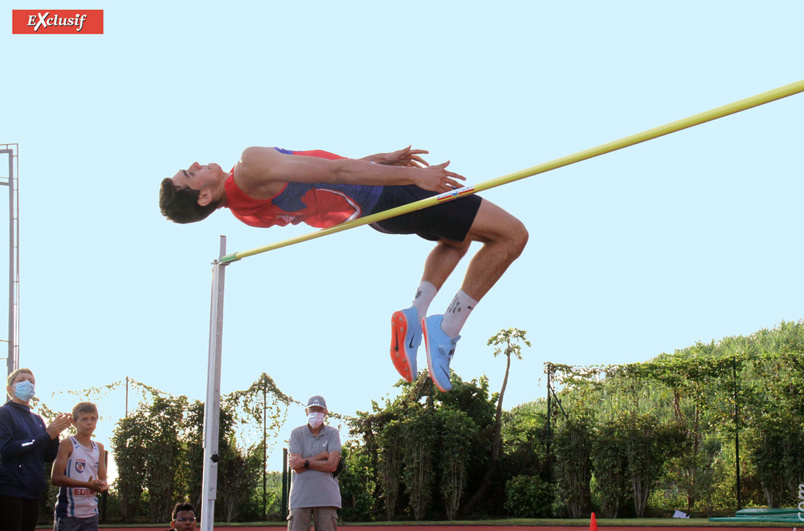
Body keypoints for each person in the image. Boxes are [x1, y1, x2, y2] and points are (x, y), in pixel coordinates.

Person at [159, 146, 528, 392]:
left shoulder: (245, 211)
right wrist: (413, 178)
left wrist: (378, 161)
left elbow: (318, 182)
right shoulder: (248, 165)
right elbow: (335, 170)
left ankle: (415, 315)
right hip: (391, 196)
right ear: (203, 197)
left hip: (377, 213)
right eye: (189, 176)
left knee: (456, 239)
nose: (194, 165)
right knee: (512, 236)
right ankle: (446, 329)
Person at [0, 368, 72, 531]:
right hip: (10, 491)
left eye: (31, 381)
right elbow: (7, 449)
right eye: (21, 380)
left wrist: (55, 435)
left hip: (32, 491)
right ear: (10, 388)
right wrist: (47, 436)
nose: (27, 384)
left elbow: (47, 455)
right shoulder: (4, 414)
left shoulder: (37, 419)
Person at [287, 396, 341, 531]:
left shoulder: (333, 433)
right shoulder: (296, 434)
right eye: (312, 409)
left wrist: (304, 462)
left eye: (319, 410)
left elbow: (332, 465)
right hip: (300, 498)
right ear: (306, 411)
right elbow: (296, 467)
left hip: (327, 498)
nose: (315, 413)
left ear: (325, 413)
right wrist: (321, 456)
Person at [51, 402, 108, 531]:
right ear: (74, 422)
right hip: (69, 514)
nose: (89, 423)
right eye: (84, 419)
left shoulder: (99, 447)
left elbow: (103, 478)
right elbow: (56, 478)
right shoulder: (67, 444)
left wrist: (102, 485)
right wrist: (87, 485)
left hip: (91, 513)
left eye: (93, 419)